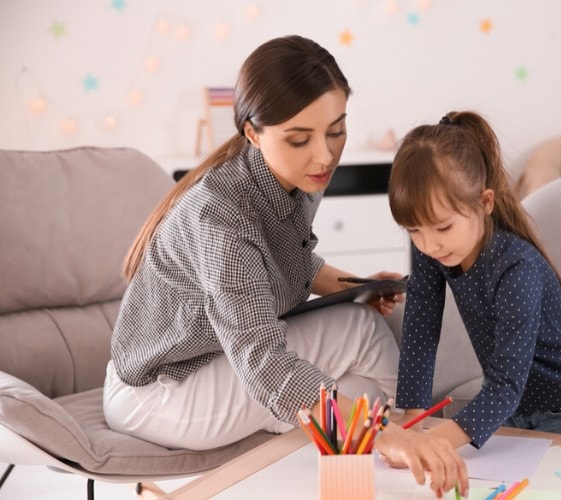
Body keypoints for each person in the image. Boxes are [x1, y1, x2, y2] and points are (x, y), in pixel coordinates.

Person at [104, 35, 467, 498]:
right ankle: (421, 443)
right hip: (159, 391)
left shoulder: (292, 173)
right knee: (360, 339)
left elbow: (284, 259)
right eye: (299, 139)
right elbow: (266, 365)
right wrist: (391, 436)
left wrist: (352, 283)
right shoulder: (220, 217)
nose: (324, 155)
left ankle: (391, 460)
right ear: (253, 133)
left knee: (362, 394)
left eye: (336, 130)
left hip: (211, 362)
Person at [387, 111, 561, 455]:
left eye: (443, 228)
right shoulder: (431, 242)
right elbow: (421, 324)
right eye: (414, 231)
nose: (428, 245)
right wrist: (411, 423)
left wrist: (434, 443)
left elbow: (505, 383)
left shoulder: (516, 267)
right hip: (513, 409)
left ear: (484, 203)